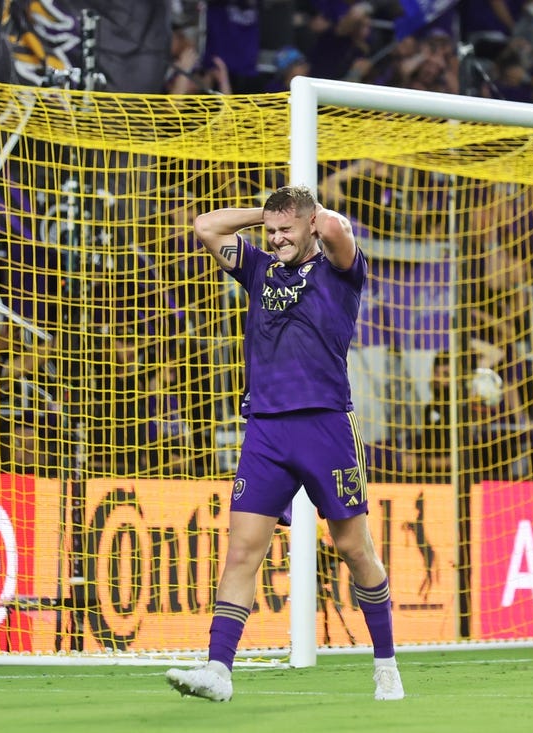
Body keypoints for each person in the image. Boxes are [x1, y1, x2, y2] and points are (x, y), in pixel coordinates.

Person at [164, 185, 404, 702]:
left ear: (310, 225)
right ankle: (218, 670)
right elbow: (207, 226)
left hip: (326, 427)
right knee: (242, 551)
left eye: (285, 231)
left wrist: (311, 216)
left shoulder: (341, 272)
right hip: (267, 430)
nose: (275, 239)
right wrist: (270, 214)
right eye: (270, 232)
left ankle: (385, 664)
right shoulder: (258, 268)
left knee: (352, 548)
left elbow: (338, 231)